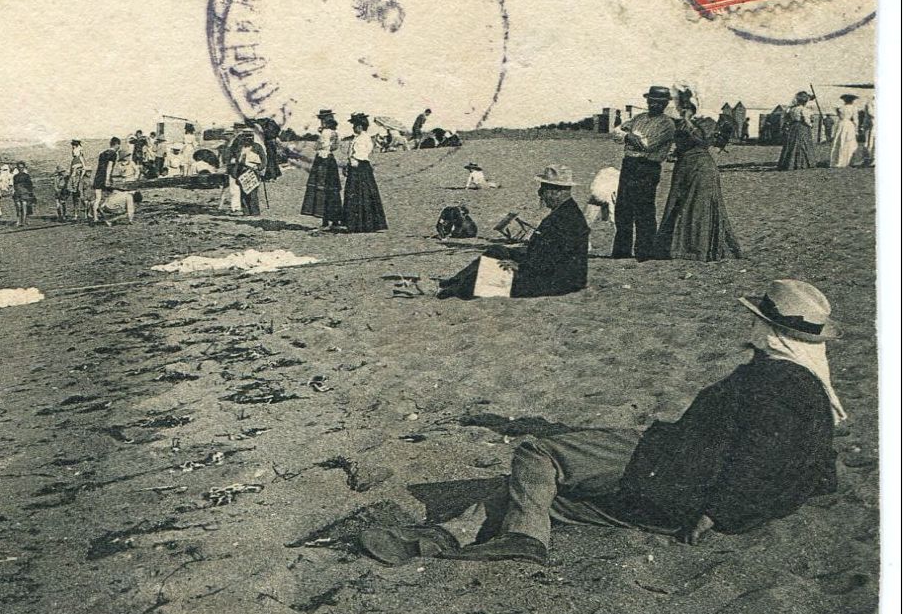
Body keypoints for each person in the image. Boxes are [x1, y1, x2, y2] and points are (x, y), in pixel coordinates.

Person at [359, 279, 843, 566]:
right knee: (542, 496)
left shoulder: (768, 382)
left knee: (537, 454)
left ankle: (523, 539)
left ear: (772, 330)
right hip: (680, 506)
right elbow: (815, 471)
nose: (751, 326)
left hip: (671, 468)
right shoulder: (815, 392)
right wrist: (723, 513)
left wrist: (715, 509)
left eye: (758, 320)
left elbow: (756, 454)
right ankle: (444, 537)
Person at [438, 165, 589, 300]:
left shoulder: (564, 219)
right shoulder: (565, 211)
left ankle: (449, 291)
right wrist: (520, 258)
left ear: (556, 192)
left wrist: (521, 266)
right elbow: (550, 253)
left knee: (487, 275)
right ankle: (453, 281)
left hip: (556, 281)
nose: (539, 194)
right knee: (496, 251)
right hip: (551, 272)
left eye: (543, 189)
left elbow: (552, 260)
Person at [655, 117, 742, 261]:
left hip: (701, 169)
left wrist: (691, 127)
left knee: (699, 207)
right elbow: (682, 142)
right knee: (678, 205)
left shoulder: (707, 123)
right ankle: (675, 247)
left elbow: (702, 142)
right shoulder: (684, 122)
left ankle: (696, 249)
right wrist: (675, 152)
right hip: (684, 167)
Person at [611, 86, 675, 260]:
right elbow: (616, 132)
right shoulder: (638, 118)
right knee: (623, 209)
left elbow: (648, 145)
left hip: (647, 168)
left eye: (659, 102)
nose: (654, 105)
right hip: (629, 165)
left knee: (644, 210)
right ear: (647, 101)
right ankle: (621, 252)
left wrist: (629, 137)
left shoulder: (667, 124)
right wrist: (628, 137)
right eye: (652, 101)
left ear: (665, 104)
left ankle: (644, 252)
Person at [341, 113, 387, 233]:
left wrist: (352, 162)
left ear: (360, 126)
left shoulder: (363, 138)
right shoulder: (359, 137)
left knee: (360, 194)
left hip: (359, 167)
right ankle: (357, 224)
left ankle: (362, 224)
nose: (353, 128)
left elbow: (360, 154)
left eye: (355, 125)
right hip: (358, 167)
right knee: (358, 194)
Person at [300, 108, 344, 229]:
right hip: (330, 159)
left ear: (325, 121)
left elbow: (317, 146)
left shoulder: (325, 133)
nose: (321, 122)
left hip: (323, 160)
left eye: (322, 120)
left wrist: (321, 137)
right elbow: (334, 147)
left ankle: (325, 221)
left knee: (322, 189)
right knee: (332, 190)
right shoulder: (334, 133)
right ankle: (334, 220)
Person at [777, 90, 817, 170]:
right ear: (805, 101)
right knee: (803, 144)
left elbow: (787, 119)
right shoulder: (804, 109)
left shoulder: (792, 109)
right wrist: (811, 125)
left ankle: (788, 163)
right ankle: (802, 164)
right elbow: (806, 120)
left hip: (793, 127)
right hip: (802, 127)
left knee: (792, 144)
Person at [92, 137, 121, 223]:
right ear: (116, 144)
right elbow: (109, 167)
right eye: (119, 145)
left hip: (98, 176)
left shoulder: (102, 153)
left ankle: (95, 217)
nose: (119, 147)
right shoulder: (113, 154)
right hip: (104, 177)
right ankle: (102, 209)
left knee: (97, 198)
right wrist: (108, 179)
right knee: (111, 195)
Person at [234, 132, 264, 216]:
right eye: (246, 138)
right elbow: (236, 160)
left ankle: (255, 212)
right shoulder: (240, 147)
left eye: (250, 138)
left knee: (253, 193)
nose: (248, 140)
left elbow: (263, 159)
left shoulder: (257, 147)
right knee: (243, 193)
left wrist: (259, 167)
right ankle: (246, 211)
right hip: (242, 172)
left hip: (253, 172)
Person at [828, 94, 862, 168]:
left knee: (840, 140)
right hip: (849, 125)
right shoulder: (854, 108)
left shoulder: (841, 108)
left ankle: (838, 160)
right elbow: (856, 119)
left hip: (841, 124)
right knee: (849, 141)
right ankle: (847, 161)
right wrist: (856, 129)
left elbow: (839, 116)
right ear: (852, 100)